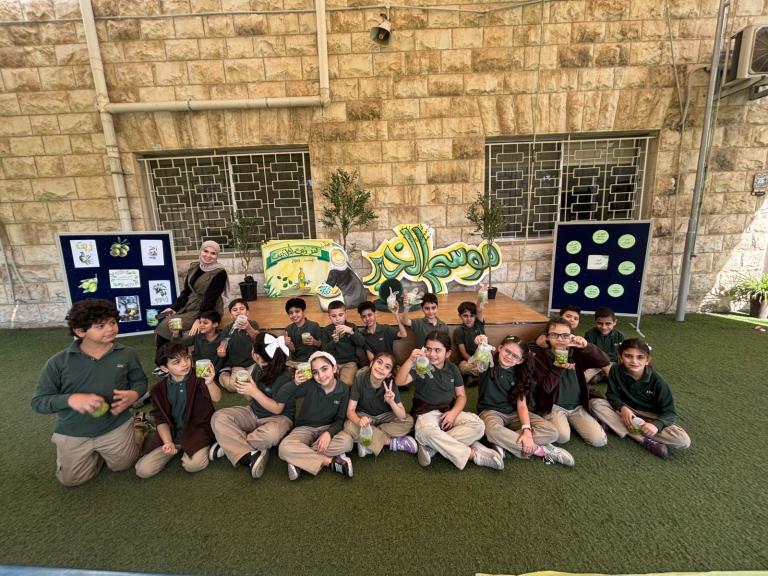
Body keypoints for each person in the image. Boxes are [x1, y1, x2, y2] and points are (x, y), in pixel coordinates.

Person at [32, 299, 148, 486]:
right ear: (80, 331)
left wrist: (134, 395)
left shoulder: (127, 354)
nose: (110, 328)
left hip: (115, 423)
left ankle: (139, 425)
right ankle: (95, 454)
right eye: (100, 326)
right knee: (71, 481)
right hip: (74, 430)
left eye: (112, 322)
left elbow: (140, 381)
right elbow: (39, 402)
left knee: (123, 465)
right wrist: (70, 399)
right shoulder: (58, 362)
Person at [395, 331, 503, 470]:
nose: (432, 354)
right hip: (425, 413)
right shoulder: (421, 366)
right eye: (429, 349)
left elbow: (461, 396)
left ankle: (431, 447)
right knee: (426, 433)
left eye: (437, 350)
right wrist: (410, 360)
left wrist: (453, 413)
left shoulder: (453, 369)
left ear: (447, 353)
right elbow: (399, 382)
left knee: (478, 425)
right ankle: (473, 454)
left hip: (448, 411)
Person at [474, 334, 574, 467]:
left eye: (515, 356)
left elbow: (521, 406)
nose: (509, 356)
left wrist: (527, 431)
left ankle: (503, 444)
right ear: (500, 348)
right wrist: (482, 341)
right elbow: (482, 352)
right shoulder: (488, 364)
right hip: (490, 412)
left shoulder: (521, 374)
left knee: (552, 432)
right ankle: (541, 450)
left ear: (520, 360)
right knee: (492, 431)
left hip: (514, 413)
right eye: (507, 351)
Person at [209, 333, 295, 478]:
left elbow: (277, 408)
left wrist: (254, 391)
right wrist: (245, 389)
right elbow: (250, 398)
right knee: (219, 417)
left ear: (256, 355)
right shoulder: (257, 368)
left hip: (279, 418)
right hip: (254, 412)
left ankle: (231, 445)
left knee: (271, 435)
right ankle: (250, 451)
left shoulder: (284, 376)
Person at [589, 339, 691, 459]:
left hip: (650, 416)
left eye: (640, 357)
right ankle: (642, 440)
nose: (634, 361)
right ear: (620, 358)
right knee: (595, 404)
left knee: (683, 440)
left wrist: (656, 425)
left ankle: (614, 426)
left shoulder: (658, 382)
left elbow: (670, 413)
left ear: (647, 360)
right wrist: (622, 407)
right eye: (628, 356)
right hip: (626, 411)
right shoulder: (615, 370)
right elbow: (612, 395)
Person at [135, 342, 221, 478]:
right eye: (177, 362)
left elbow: (217, 398)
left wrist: (210, 382)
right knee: (143, 470)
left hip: (197, 431)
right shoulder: (158, 390)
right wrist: (168, 442)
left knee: (193, 466)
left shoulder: (199, 378)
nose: (185, 363)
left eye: (186, 358)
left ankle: (214, 443)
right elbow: (161, 420)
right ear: (164, 368)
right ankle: (143, 426)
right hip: (172, 434)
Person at [530, 318, 609, 448]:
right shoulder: (540, 358)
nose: (560, 339)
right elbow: (545, 389)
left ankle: (572, 422)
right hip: (554, 406)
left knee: (599, 441)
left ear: (571, 337)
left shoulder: (577, 353)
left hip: (577, 406)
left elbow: (604, 361)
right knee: (562, 437)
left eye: (565, 335)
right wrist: (558, 368)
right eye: (554, 335)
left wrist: (586, 346)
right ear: (547, 337)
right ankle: (560, 422)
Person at [276, 352, 354, 480]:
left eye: (324, 369)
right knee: (283, 448)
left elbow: (340, 420)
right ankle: (330, 462)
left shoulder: (344, 389)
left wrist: (329, 433)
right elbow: (280, 397)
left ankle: (299, 460)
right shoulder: (309, 384)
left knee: (347, 442)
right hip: (304, 428)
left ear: (334, 368)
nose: (321, 376)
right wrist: (295, 383)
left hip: (327, 427)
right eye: (315, 372)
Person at [155, 240, 228, 347]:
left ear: (217, 256)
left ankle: (165, 355)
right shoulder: (195, 267)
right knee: (163, 318)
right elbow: (187, 291)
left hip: (208, 311)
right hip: (190, 305)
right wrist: (174, 308)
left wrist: (200, 320)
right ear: (200, 251)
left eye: (213, 253)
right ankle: (169, 354)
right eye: (206, 251)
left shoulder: (220, 273)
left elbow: (210, 300)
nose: (208, 255)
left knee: (167, 324)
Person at [344, 352, 417, 458]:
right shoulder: (360, 379)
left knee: (409, 421)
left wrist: (391, 402)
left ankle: (368, 438)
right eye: (379, 362)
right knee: (348, 425)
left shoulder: (391, 383)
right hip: (365, 416)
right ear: (371, 364)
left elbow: (402, 415)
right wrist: (359, 421)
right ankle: (392, 443)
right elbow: (350, 411)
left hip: (385, 416)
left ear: (389, 374)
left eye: (387, 367)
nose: (381, 368)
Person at [217, 299, 260, 392]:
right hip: (237, 364)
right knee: (233, 387)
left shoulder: (253, 324)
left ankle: (246, 378)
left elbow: (258, 339)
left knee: (257, 382)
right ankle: (224, 374)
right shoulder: (227, 328)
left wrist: (248, 328)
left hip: (252, 363)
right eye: (235, 310)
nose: (238, 311)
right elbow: (222, 345)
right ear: (231, 315)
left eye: (242, 309)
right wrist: (221, 351)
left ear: (247, 313)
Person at [321, 300, 365, 387]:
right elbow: (324, 350)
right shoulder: (326, 330)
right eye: (334, 316)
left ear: (345, 314)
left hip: (349, 363)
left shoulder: (351, 327)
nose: (337, 319)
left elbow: (361, 343)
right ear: (329, 316)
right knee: (325, 382)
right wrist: (334, 342)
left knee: (346, 383)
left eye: (340, 315)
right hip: (332, 363)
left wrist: (351, 332)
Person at [583, 306, 625, 383]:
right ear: (595, 321)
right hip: (595, 364)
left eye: (608, 324)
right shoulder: (590, 334)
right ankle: (605, 376)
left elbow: (622, 354)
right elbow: (589, 355)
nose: (604, 327)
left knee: (626, 373)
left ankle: (603, 376)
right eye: (600, 323)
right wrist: (604, 367)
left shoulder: (619, 336)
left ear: (614, 322)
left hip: (612, 364)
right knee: (584, 378)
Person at [453, 292, 486, 381]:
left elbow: (479, 310)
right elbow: (463, 353)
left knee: (487, 365)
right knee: (462, 366)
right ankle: (482, 376)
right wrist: (474, 362)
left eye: (472, 316)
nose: (469, 319)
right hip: (471, 360)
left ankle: (476, 377)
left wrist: (481, 294)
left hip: (484, 357)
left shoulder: (479, 324)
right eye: (465, 316)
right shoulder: (459, 330)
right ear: (460, 316)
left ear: (475, 316)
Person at [182, 310, 226, 377]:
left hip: (218, 371)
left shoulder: (222, 338)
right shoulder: (198, 336)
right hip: (201, 371)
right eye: (200, 322)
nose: (201, 325)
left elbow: (222, 360)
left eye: (205, 323)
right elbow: (196, 355)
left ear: (215, 324)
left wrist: (213, 373)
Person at [284, 297, 321, 364]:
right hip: (296, 361)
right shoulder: (288, 329)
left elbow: (321, 345)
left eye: (297, 311)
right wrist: (288, 344)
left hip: (313, 360)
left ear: (304, 312)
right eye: (291, 313)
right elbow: (293, 350)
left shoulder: (314, 326)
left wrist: (314, 342)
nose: (294, 315)